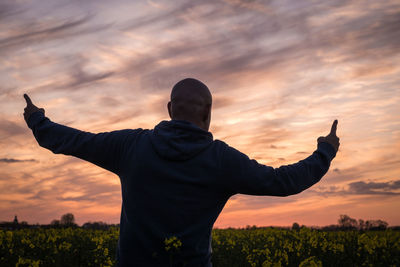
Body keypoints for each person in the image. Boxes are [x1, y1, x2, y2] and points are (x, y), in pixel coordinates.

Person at [23, 78, 339, 266]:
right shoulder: (222, 160)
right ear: (208, 113)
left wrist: (38, 119)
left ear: (170, 110)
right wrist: (325, 151)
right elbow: (282, 181)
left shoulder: (130, 145)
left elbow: (74, 141)